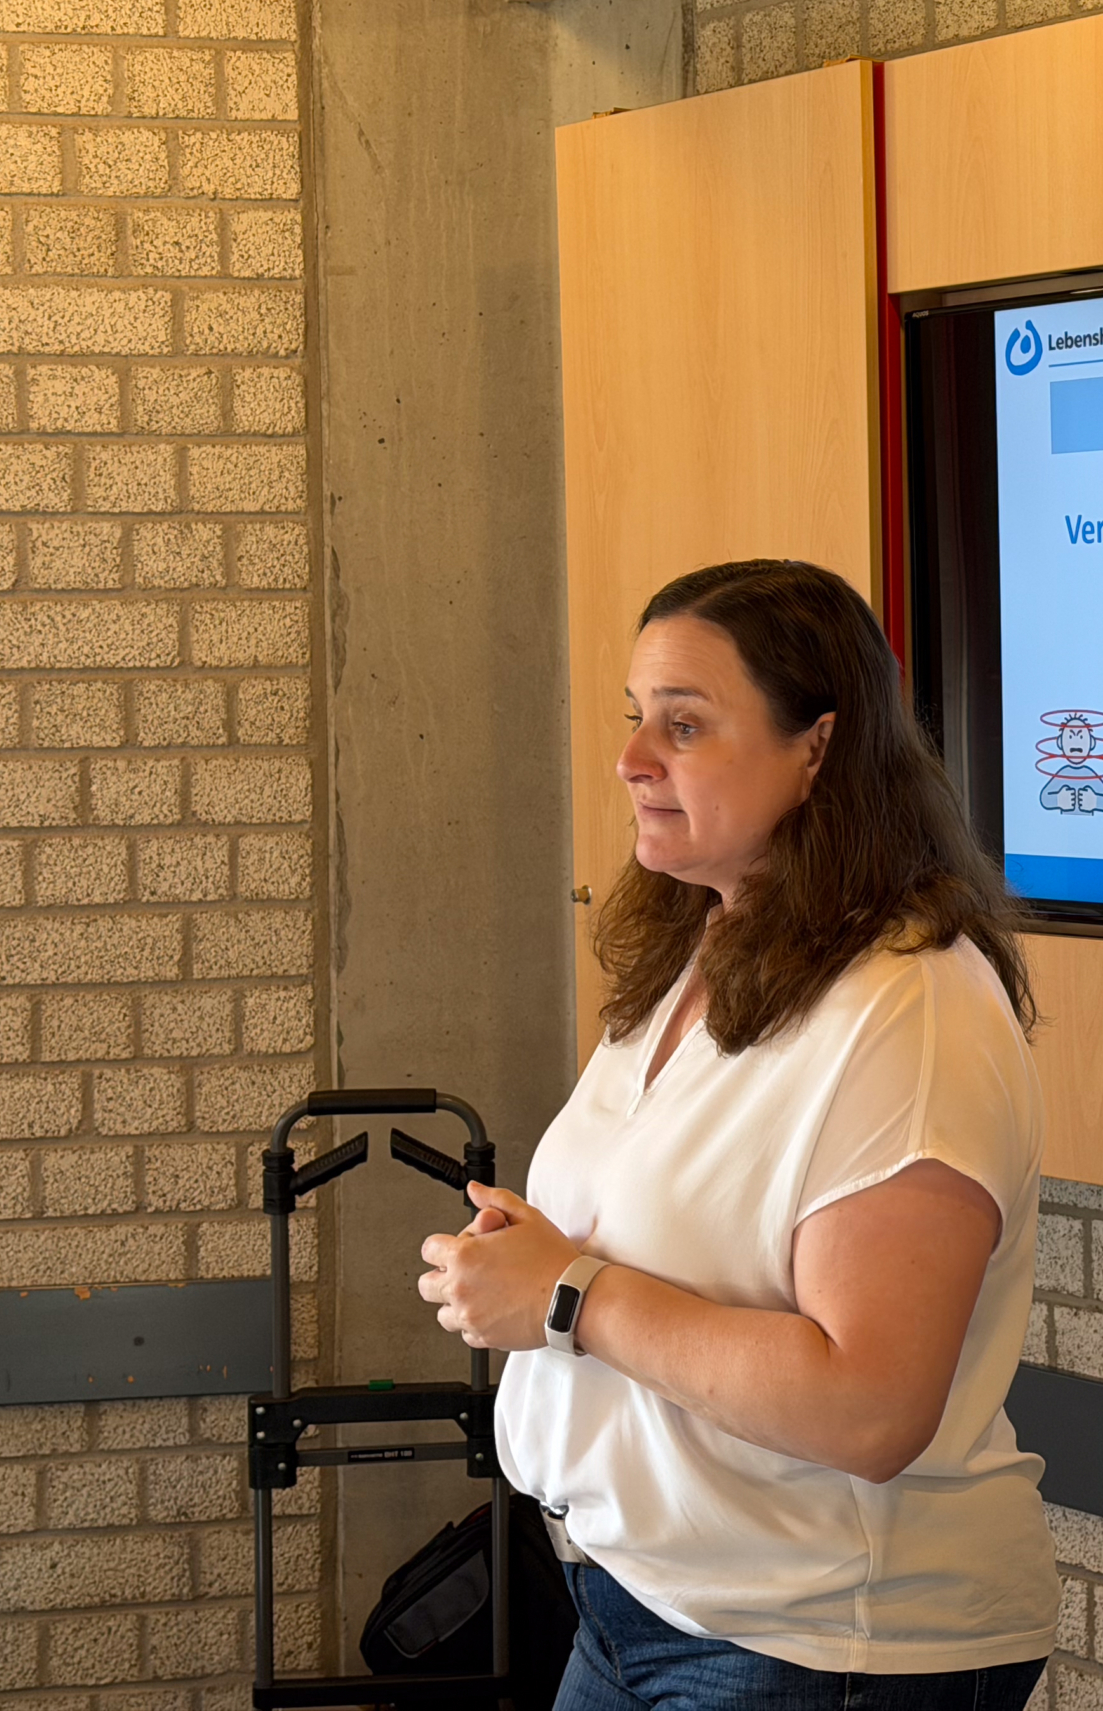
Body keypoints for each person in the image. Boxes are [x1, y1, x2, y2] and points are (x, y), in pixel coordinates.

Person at [416, 559, 1057, 1710]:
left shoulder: (907, 1009)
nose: (630, 759)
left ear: (817, 749)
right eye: (634, 717)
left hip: (814, 1645)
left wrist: (568, 1294)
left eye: (686, 724)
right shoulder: (710, 947)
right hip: (635, 1606)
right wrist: (535, 1253)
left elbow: (868, 1404)